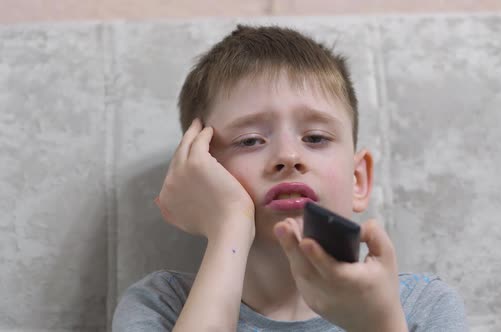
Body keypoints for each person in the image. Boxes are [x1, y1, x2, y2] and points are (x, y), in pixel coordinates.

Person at [112, 24, 468, 331]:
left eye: (315, 138)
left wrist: (377, 325)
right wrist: (229, 228)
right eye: (250, 141)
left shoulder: (422, 307)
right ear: (200, 175)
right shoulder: (161, 306)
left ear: (358, 180)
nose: (288, 156)